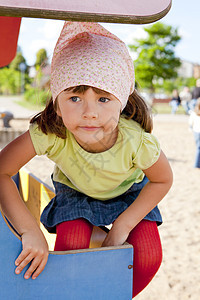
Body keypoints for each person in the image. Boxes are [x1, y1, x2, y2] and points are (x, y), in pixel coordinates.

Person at [0, 22, 173, 298]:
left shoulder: (135, 140)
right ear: (57, 102)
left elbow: (163, 179)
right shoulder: (51, 132)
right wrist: (29, 231)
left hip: (128, 194)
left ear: (123, 102)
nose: (89, 112)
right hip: (76, 194)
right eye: (75, 97)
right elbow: (2, 170)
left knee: (149, 255)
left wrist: (122, 227)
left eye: (104, 98)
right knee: (71, 247)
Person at [189, 98, 200, 168]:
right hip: (197, 131)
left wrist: (191, 128)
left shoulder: (194, 112)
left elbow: (190, 122)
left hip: (196, 132)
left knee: (198, 147)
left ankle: (197, 163)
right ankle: (196, 164)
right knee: (199, 148)